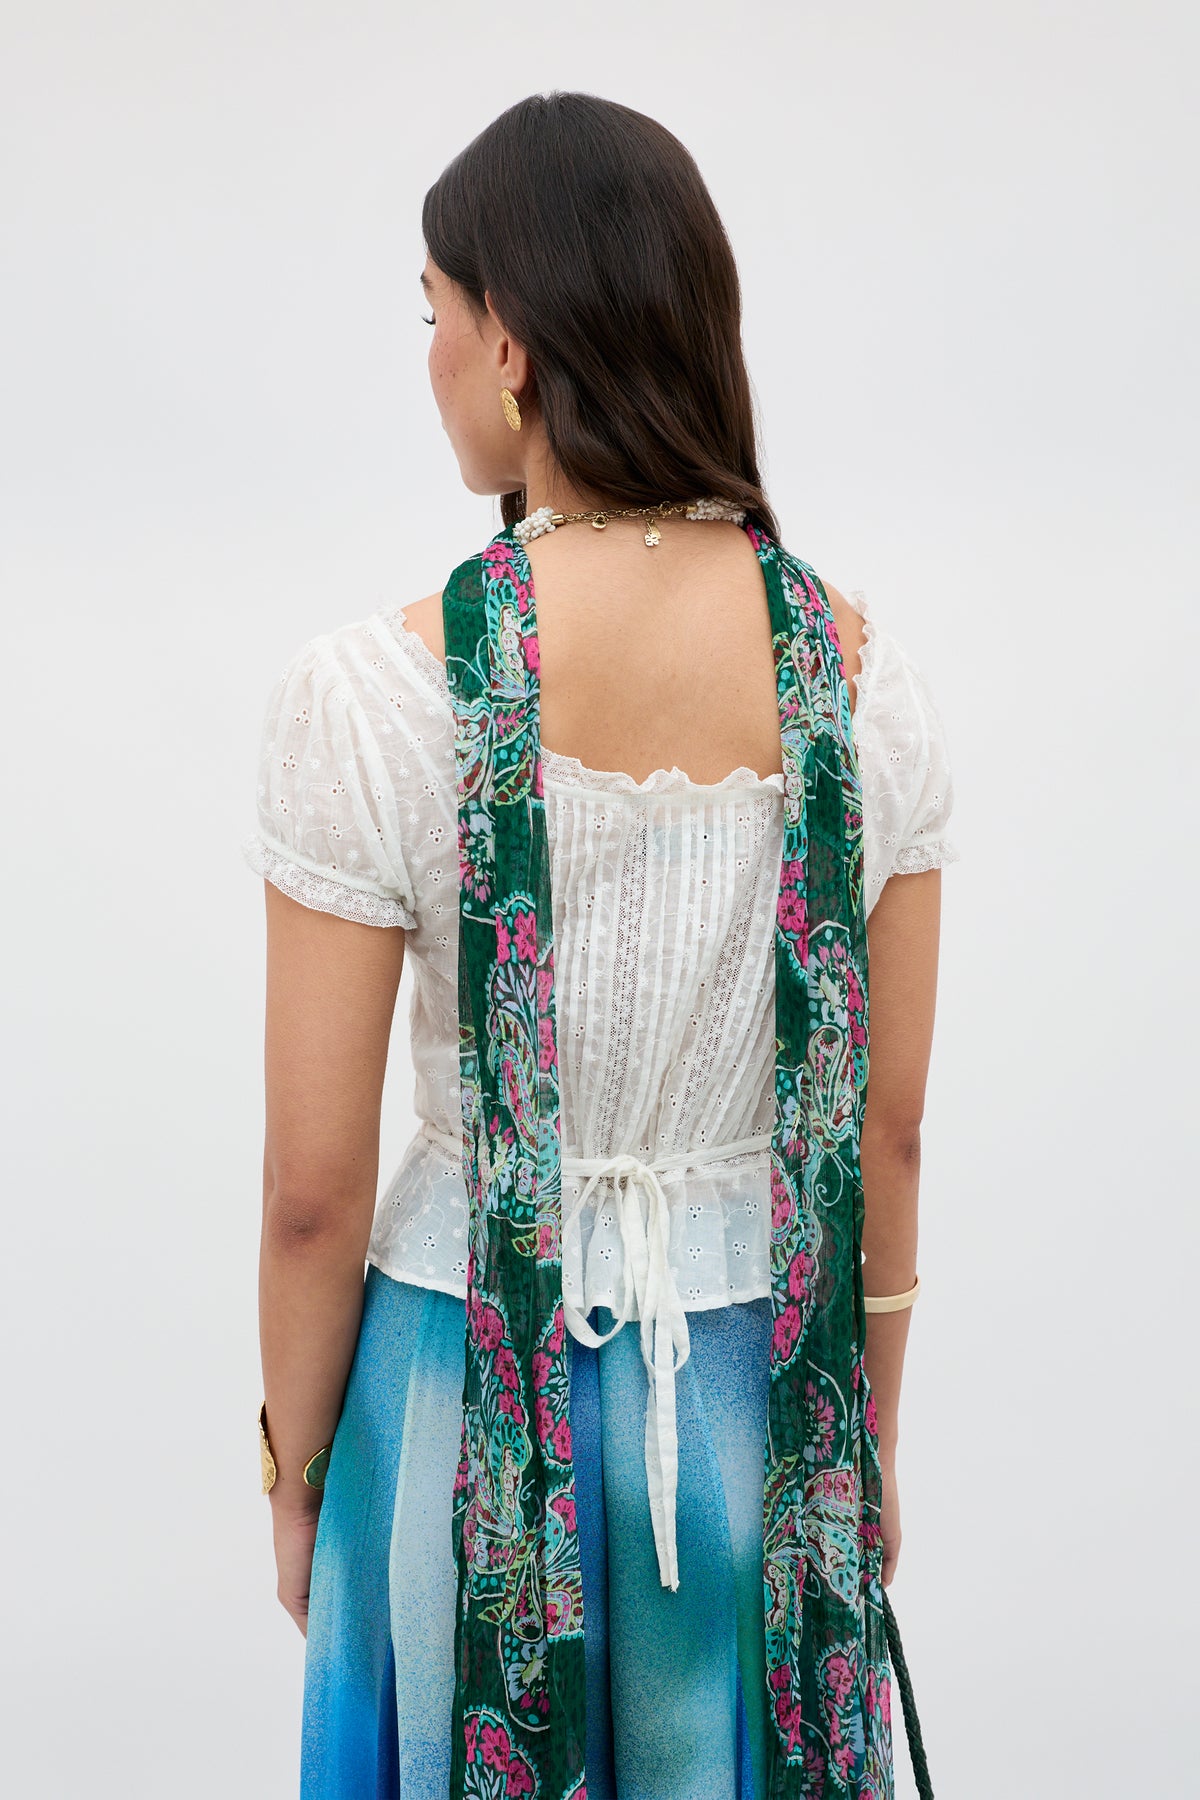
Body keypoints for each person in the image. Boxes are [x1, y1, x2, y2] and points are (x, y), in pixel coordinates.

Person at [245, 91, 957, 1800]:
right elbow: (888, 1134)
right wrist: (865, 1440)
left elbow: (313, 1193)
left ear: (514, 345)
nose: (428, 356)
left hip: (459, 1384)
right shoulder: (864, 689)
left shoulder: (379, 695)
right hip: (757, 1398)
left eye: (434, 312)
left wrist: (294, 1469)